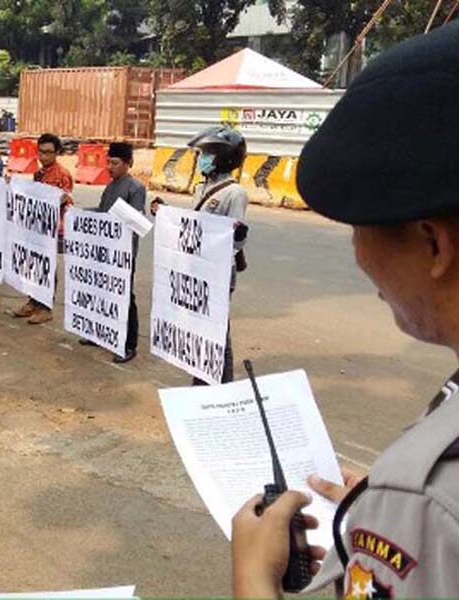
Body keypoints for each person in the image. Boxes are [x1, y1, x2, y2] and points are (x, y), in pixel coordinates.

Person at [231, 22, 459, 599]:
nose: (359, 260)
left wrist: (253, 577)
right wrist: (376, 511)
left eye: (358, 227)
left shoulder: (432, 497)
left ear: (433, 245)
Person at [153, 126, 248, 384]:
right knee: (199, 328)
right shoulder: (202, 188)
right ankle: (202, 377)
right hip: (198, 269)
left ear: (224, 157)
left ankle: (221, 385)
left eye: (207, 154)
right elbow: (193, 223)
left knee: (218, 332)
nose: (202, 158)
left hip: (217, 274)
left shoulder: (234, 193)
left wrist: (229, 236)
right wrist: (165, 212)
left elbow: (235, 238)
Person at [79, 142, 145, 364]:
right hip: (104, 250)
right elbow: (101, 212)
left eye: (115, 163)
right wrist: (78, 214)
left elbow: (136, 220)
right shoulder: (110, 186)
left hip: (123, 253)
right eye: (108, 162)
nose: (110, 167)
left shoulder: (135, 188)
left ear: (128, 164)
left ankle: (129, 344)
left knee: (125, 297)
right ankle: (101, 332)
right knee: (101, 291)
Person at [11, 132, 74, 325]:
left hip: (55, 228)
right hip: (38, 227)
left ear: (57, 153)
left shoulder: (63, 174)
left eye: (48, 153)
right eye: (41, 152)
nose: (44, 156)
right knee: (35, 265)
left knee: (48, 266)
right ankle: (33, 301)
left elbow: (63, 198)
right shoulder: (38, 174)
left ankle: (46, 307)